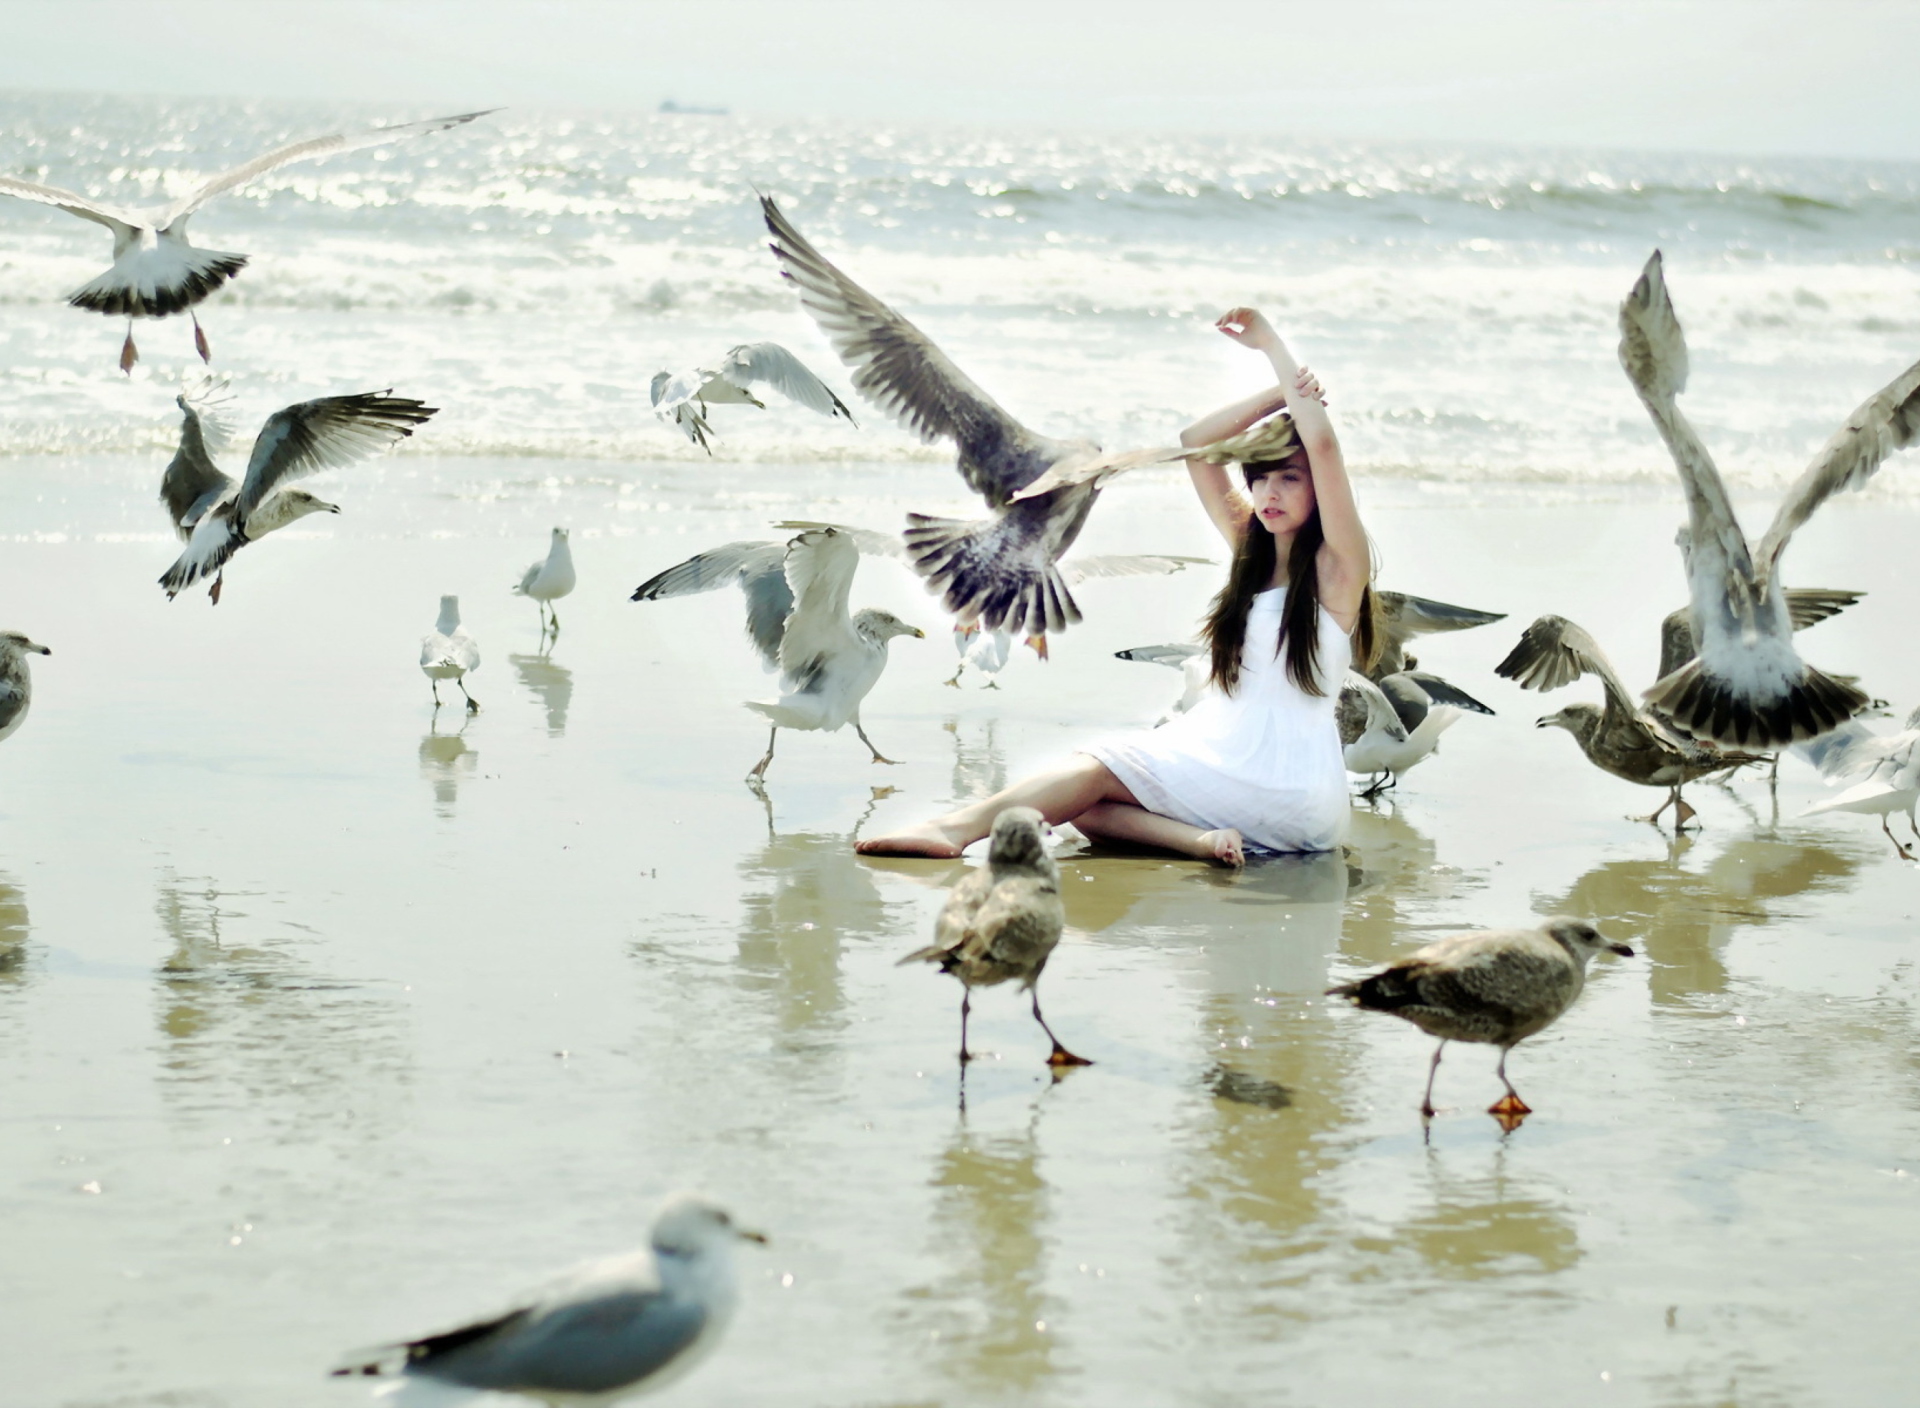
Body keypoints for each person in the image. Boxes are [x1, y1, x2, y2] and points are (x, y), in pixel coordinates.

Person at [855, 307, 1374, 867]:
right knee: (1079, 800)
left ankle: (954, 829)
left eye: (1288, 479)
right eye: (1260, 477)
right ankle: (1199, 841)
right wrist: (1277, 395)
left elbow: (1323, 447)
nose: (1269, 493)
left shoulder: (1337, 569)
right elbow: (1196, 441)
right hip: (1227, 759)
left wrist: (1273, 347)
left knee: (1090, 775)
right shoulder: (1251, 552)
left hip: (1285, 784)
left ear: (1318, 490)